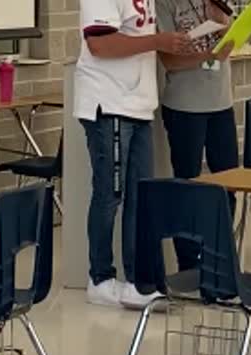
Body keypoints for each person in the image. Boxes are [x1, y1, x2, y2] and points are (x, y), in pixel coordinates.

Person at [75, 0, 192, 307]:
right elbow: (99, 43)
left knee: (142, 196)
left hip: (138, 103)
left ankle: (139, 279)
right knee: (109, 194)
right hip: (108, 103)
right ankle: (99, 278)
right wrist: (158, 41)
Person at [155, 0, 237, 271]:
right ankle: (188, 263)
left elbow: (229, 45)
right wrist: (208, 56)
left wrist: (226, 29)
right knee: (187, 185)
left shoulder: (216, 3)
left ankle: (220, 255)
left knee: (228, 184)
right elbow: (169, 61)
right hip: (185, 106)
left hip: (221, 103)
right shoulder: (164, 4)